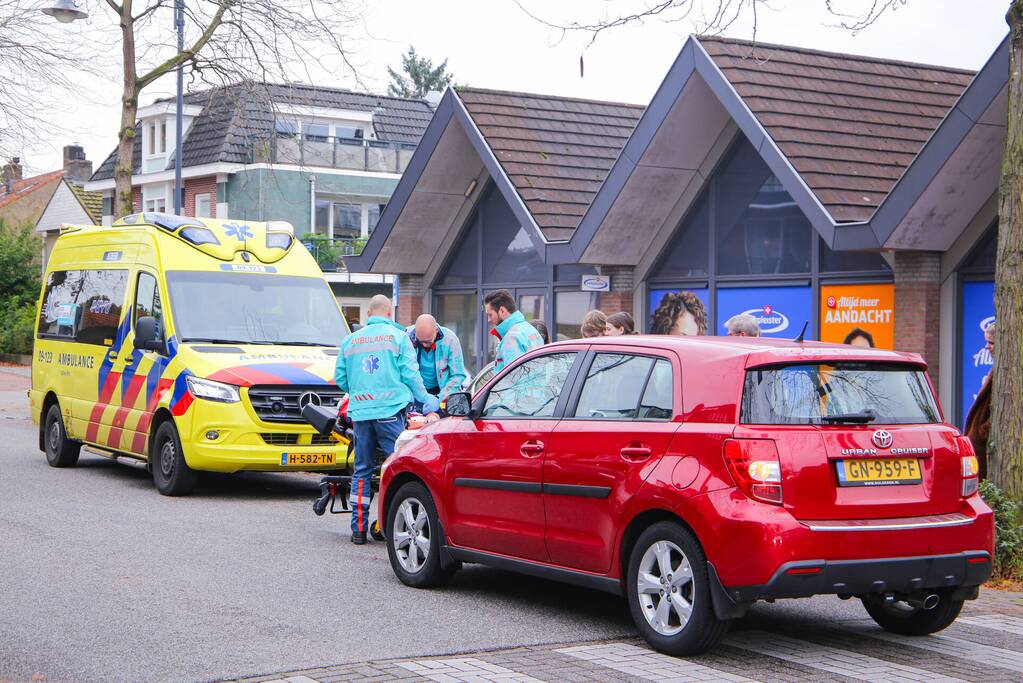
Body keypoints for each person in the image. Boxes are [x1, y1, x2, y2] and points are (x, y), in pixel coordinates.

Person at [334, 295, 440, 545]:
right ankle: (390, 526)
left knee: (361, 470)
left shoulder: (350, 340)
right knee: (398, 468)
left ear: (369, 313)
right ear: (389, 314)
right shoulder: (398, 338)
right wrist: (425, 398)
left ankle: (358, 530)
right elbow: (411, 374)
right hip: (391, 413)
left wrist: (360, 392)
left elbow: (340, 377)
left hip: (361, 414)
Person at [406, 314, 468, 406]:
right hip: (415, 394)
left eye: (428, 341)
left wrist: (440, 399)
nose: (424, 345)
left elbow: (458, 375)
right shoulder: (406, 337)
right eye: (420, 341)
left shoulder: (450, 339)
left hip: (443, 393)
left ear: (436, 331)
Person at [485, 289, 543, 372]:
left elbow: (513, 377)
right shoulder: (531, 330)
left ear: (502, 310)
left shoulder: (512, 337)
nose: (489, 320)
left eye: (490, 314)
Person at [965, 322, 995, 480]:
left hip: (987, 445)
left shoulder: (1005, 372)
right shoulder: (997, 369)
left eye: (991, 342)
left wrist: (983, 430)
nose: (986, 347)